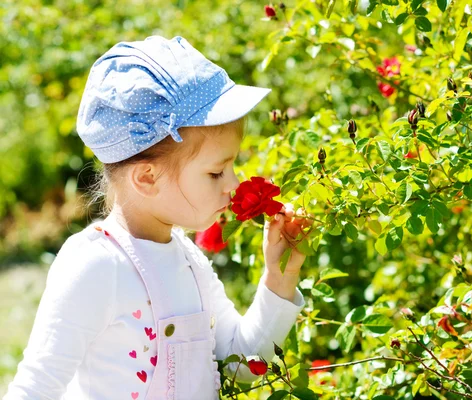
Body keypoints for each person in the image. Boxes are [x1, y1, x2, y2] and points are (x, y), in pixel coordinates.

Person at [4, 35, 310, 400]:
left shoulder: (188, 260)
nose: (234, 183)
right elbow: (36, 387)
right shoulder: (96, 265)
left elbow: (242, 363)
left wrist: (280, 277)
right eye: (216, 172)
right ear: (147, 178)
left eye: (233, 166)